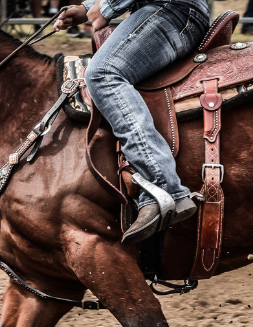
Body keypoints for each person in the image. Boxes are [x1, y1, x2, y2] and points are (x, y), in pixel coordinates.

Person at [55, 0, 209, 244]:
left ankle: (162, 184)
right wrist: (87, 7)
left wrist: (106, 7)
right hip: (171, 9)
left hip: (171, 9)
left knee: (103, 74)